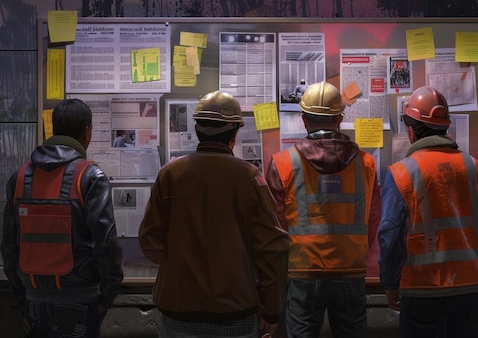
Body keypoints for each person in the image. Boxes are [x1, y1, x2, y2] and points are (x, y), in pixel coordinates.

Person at [138, 90, 290, 338]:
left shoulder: (170, 175)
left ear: (197, 130)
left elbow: (150, 240)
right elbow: (272, 250)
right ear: (235, 133)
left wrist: (182, 264)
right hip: (235, 313)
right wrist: (272, 310)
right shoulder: (250, 178)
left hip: (178, 311)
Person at [377, 86, 478, 338]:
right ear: (446, 127)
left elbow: (390, 235)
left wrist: (390, 282)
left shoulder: (402, 173)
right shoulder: (473, 167)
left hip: (424, 289)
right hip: (473, 287)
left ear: (411, 131)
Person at [266, 81, 381, 338]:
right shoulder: (367, 164)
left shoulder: (283, 163)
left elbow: (275, 225)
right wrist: (355, 251)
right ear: (340, 119)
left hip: (302, 271)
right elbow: (373, 219)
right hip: (350, 270)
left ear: (304, 119)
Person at [1, 98, 124, 337]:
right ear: (86, 132)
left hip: (33, 301)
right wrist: (106, 298)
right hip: (81, 299)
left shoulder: (20, 177)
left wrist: (22, 294)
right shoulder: (89, 177)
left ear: (53, 129)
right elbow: (106, 244)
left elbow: (8, 245)